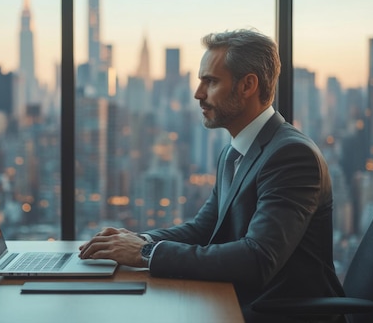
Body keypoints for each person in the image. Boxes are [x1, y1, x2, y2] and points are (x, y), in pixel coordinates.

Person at [79, 28, 345, 322]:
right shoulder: (234, 152)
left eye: (211, 81)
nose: (198, 94)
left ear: (248, 86)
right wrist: (136, 240)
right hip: (235, 302)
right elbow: (203, 230)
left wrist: (146, 253)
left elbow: (258, 259)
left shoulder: (292, 156)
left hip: (276, 313)